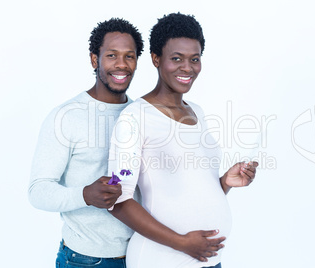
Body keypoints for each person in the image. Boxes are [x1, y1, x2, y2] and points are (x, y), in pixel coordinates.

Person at [28, 17, 224, 268]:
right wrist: (85, 195)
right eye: (111, 55)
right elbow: (38, 191)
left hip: (144, 253)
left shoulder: (142, 115)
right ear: (94, 59)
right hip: (88, 259)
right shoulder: (67, 116)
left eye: (129, 56)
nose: (121, 64)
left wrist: (222, 183)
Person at [108, 13, 259, 268]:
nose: (187, 67)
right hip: (161, 260)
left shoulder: (197, 112)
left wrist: (225, 183)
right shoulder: (134, 118)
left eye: (195, 59)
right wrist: (181, 242)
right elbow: (117, 201)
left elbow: (188, 190)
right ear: (156, 59)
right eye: (176, 58)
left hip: (209, 261)